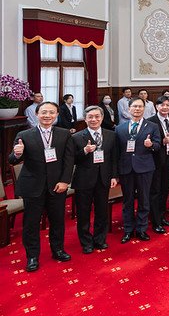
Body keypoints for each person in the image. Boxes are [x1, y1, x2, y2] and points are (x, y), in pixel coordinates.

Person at [9, 101, 75, 272]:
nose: (47, 115)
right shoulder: (24, 135)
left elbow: (69, 160)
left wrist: (65, 181)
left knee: (57, 221)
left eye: (51, 112)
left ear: (57, 115)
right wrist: (17, 153)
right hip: (33, 186)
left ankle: (58, 250)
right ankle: (32, 256)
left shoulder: (64, 134)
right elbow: (12, 159)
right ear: (37, 114)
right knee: (31, 224)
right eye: (44, 112)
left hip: (57, 186)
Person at [69, 105, 118, 254]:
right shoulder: (76, 137)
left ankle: (100, 239)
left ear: (102, 118)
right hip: (84, 180)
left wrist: (114, 176)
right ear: (85, 119)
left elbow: (114, 158)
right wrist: (84, 151)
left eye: (97, 116)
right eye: (90, 117)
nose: (94, 119)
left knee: (102, 211)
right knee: (83, 213)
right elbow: (72, 160)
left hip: (104, 178)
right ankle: (86, 242)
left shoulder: (111, 135)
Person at [116, 97, 161, 244]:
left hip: (145, 168)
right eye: (134, 106)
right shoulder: (120, 128)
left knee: (144, 200)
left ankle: (141, 229)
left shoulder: (152, 126)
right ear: (129, 109)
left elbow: (158, 145)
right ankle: (128, 230)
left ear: (144, 108)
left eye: (140, 106)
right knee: (127, 200)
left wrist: (151, 145)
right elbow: (117, 151)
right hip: (126, 168)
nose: (137, 109)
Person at [147, 95, 169, 234]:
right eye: (162, 105)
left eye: (168, 105)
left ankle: (161, 216)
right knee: (155, 191)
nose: (165, 107)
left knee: (165, 189)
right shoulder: (150, 121)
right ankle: (155, 221)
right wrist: (162, 142)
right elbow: (149, 142)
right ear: (156, 107)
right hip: (155, 160)